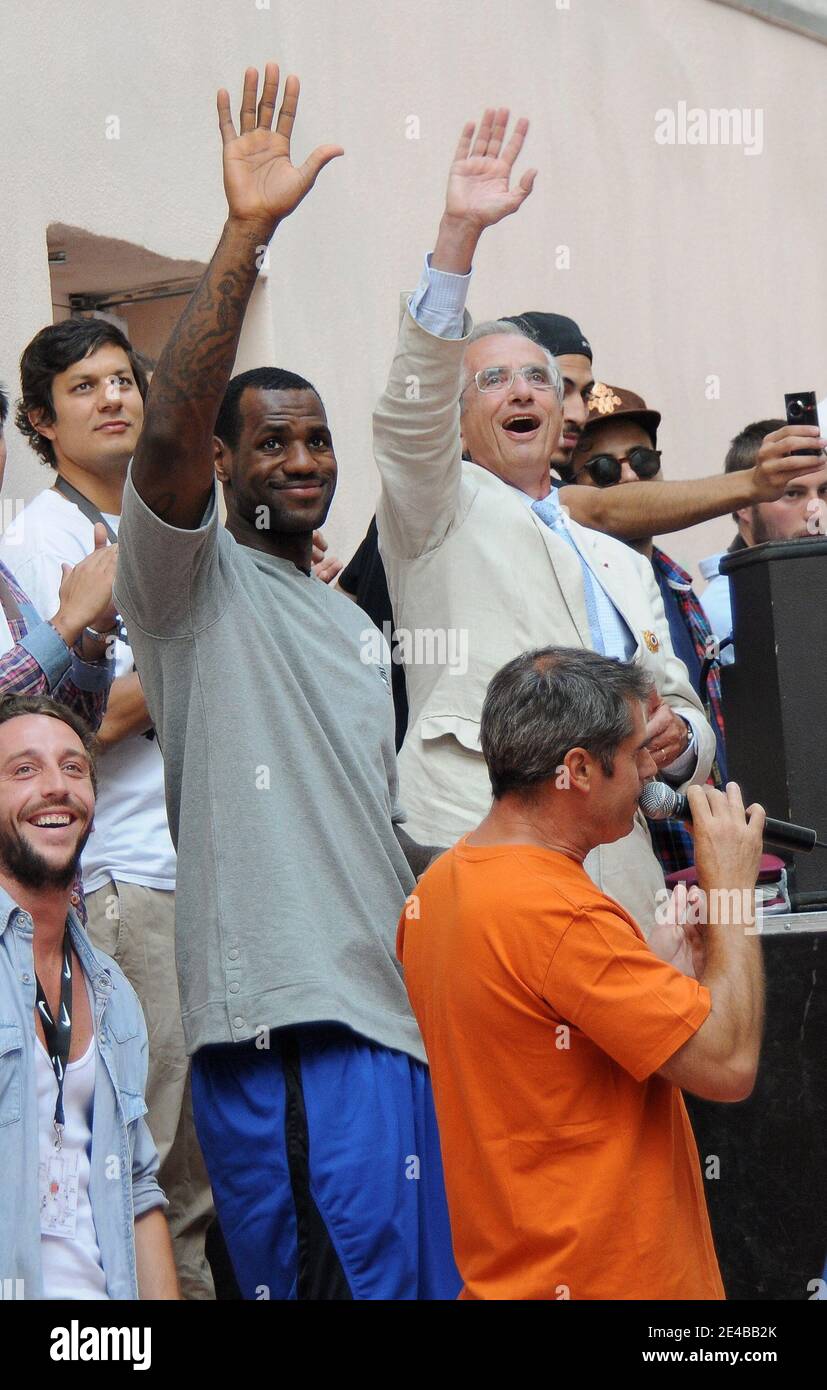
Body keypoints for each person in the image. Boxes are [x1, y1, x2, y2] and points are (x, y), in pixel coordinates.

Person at [115, 62, 458, 1301]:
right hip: (284, 1032)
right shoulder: (185, 586)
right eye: (274, 439)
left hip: (388, 1031)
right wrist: (246, 236)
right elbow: (160, 438)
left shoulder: (347, 625)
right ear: (220, 461)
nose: (306, 459)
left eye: (317, 438)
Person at [373, 106, 716, 933]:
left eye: (537, 378)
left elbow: (683, 708)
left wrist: (682, 740)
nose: (522, 390)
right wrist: (457, 237)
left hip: (617, 848)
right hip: (482, 833)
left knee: (627, 1062)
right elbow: (407, 415)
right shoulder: (434, 507)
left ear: (564, 415)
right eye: (492, 381)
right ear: (456, 419)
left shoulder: (618, 559)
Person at [399, 647, 766, 1300]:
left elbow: (539, 1061)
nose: (651, 777)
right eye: (632, 757)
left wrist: (652, 975)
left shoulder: (443, 886)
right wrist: (733, 889)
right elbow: (728, 1063)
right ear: (577, 770)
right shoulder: (558, 913)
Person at [2, 320, 214, 1298]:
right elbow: (44, 733)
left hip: (196, 868)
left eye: (124, 380)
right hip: (121, 878)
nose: (115, 399)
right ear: (41, 422)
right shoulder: (37, 544)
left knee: (198, 1170)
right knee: (151, 1171)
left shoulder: (159, 522)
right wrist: (190, 659)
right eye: (84, 388)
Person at [0, 694, 178, 1299]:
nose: (56, 787)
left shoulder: (112, 992)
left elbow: (137, 1189)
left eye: (74, 768)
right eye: (24, 770)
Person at [568, 383, 727, 873]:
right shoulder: (568, 585)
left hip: (694, 856)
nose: (630, 475)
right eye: (602, 468)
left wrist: (683, 739)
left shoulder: (679, 585)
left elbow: (705, 723)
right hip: (613, 860)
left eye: (642, 458)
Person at [700, 419, 827, 662]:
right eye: (792, 494)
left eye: (824, 490)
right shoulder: (727, 610)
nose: (816, 510)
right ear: (743, 505)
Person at [501, 311, 594, 480]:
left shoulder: (568, 502)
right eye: (561, 390)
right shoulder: (452, 496)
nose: (579, 416)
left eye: (586, 394)